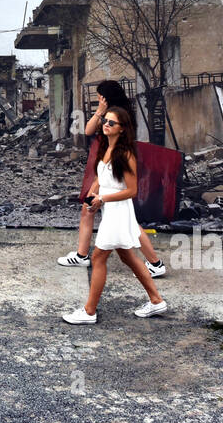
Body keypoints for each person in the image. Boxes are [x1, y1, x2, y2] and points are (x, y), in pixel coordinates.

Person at [62, 106, 167, 324]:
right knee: (128, 256)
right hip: (110, 209)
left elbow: (131, 191)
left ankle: (89, 312)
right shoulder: (106, 148)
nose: (106, 125)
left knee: (98, 257)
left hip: (118, 211)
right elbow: (101, 178)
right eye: (105, 121)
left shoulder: (125, 153)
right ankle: (157, 301)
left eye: (112, 123)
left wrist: (103, 200)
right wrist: (92, 197)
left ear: (122, 129)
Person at [57, 80, 166, 277]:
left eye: (100, 95)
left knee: (129, 222)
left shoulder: (119, 117)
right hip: (105, 163)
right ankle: (82, 255)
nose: (107, 124)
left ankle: (156, 264)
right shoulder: (111, 115)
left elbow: (90, 131)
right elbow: (90, 130)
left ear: (106, 96)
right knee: (88, 208)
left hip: (115, 165)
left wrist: (101, 110)